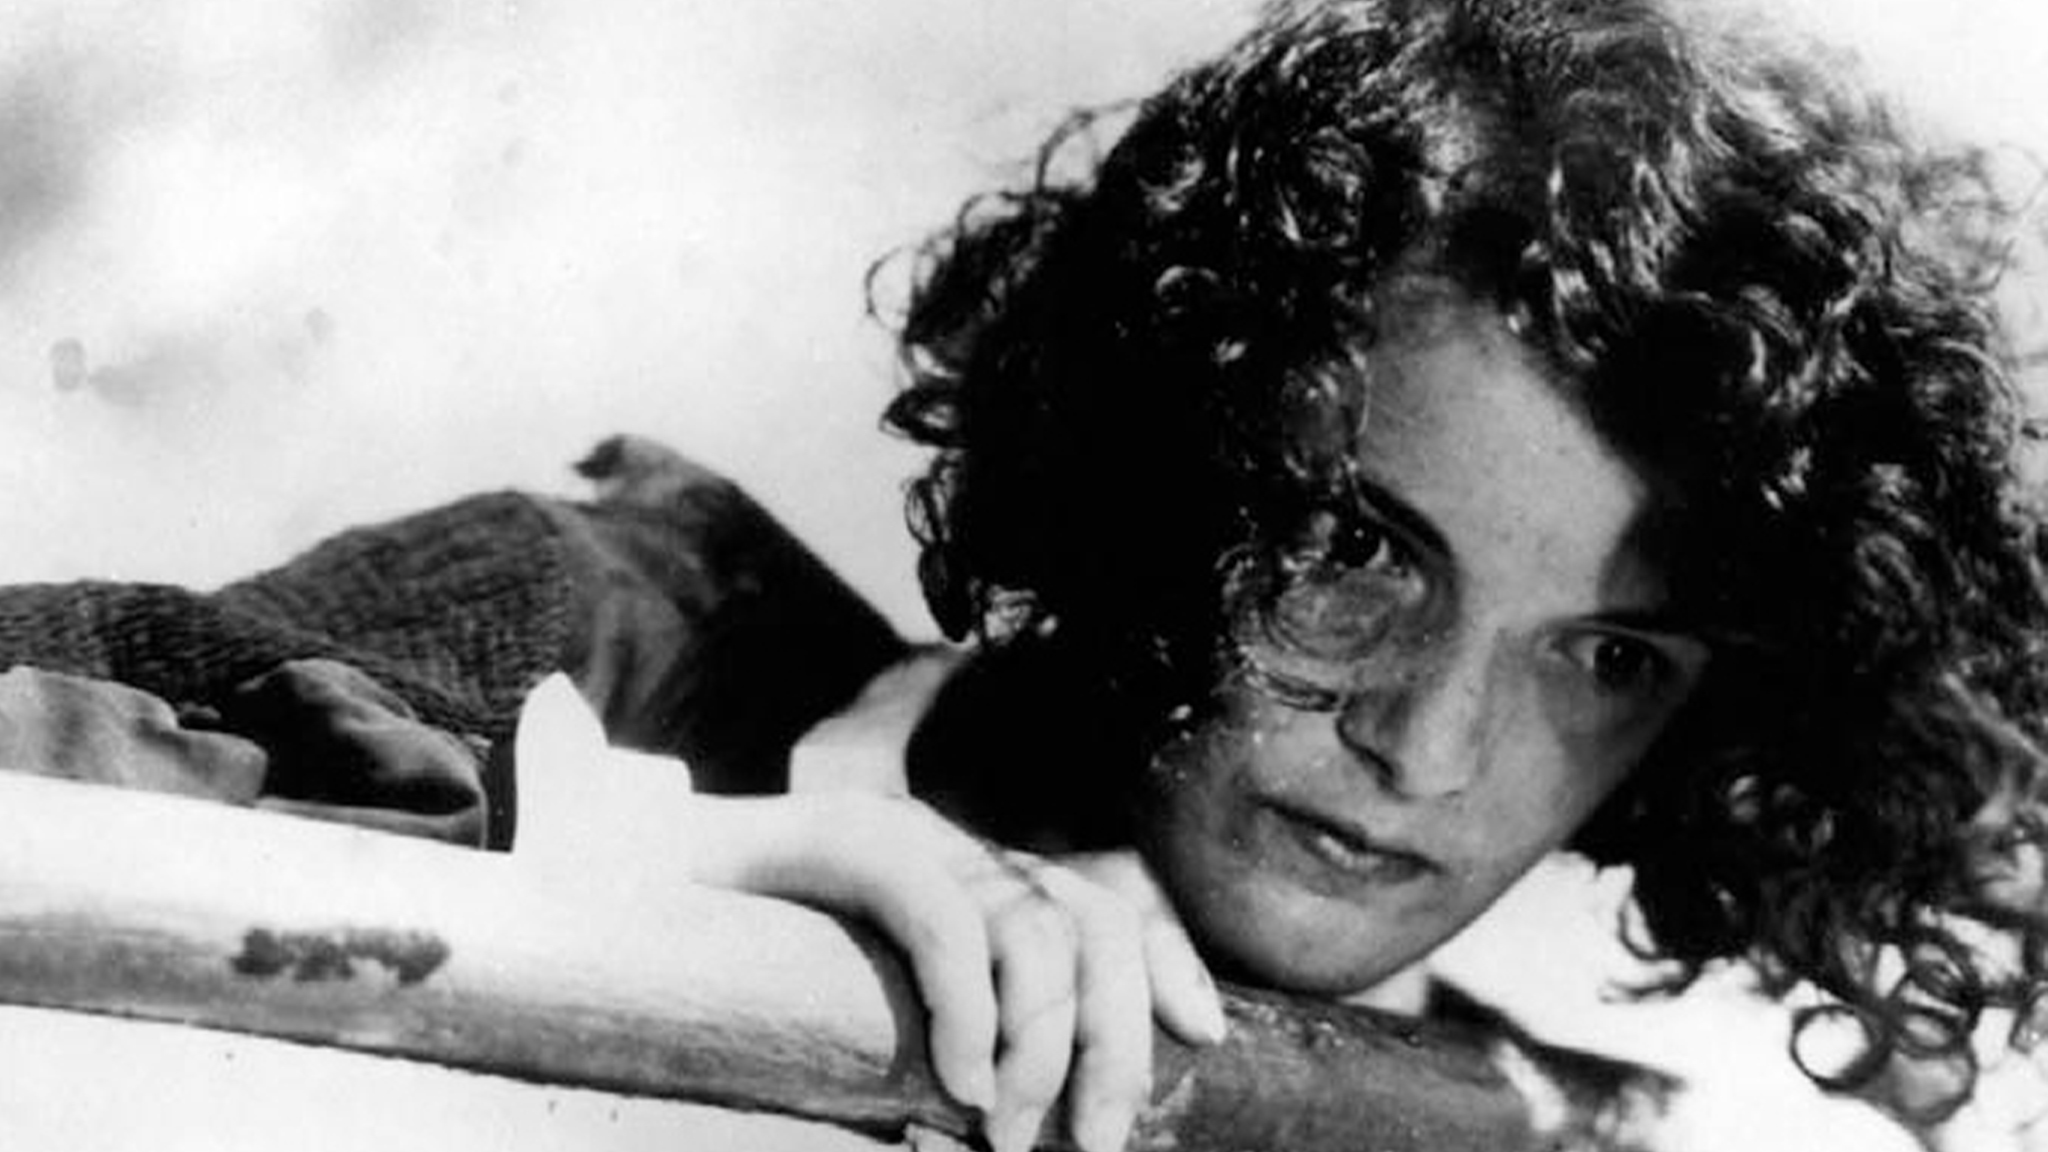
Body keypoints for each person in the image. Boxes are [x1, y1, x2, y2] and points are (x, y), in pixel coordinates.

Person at [0, 0, 2043, 1148]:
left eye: (1604, 656)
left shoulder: (1497, 1124)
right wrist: (640, 881)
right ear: (1172, 456)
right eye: (1353, 548)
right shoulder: (608, 634)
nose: (1428, 748)